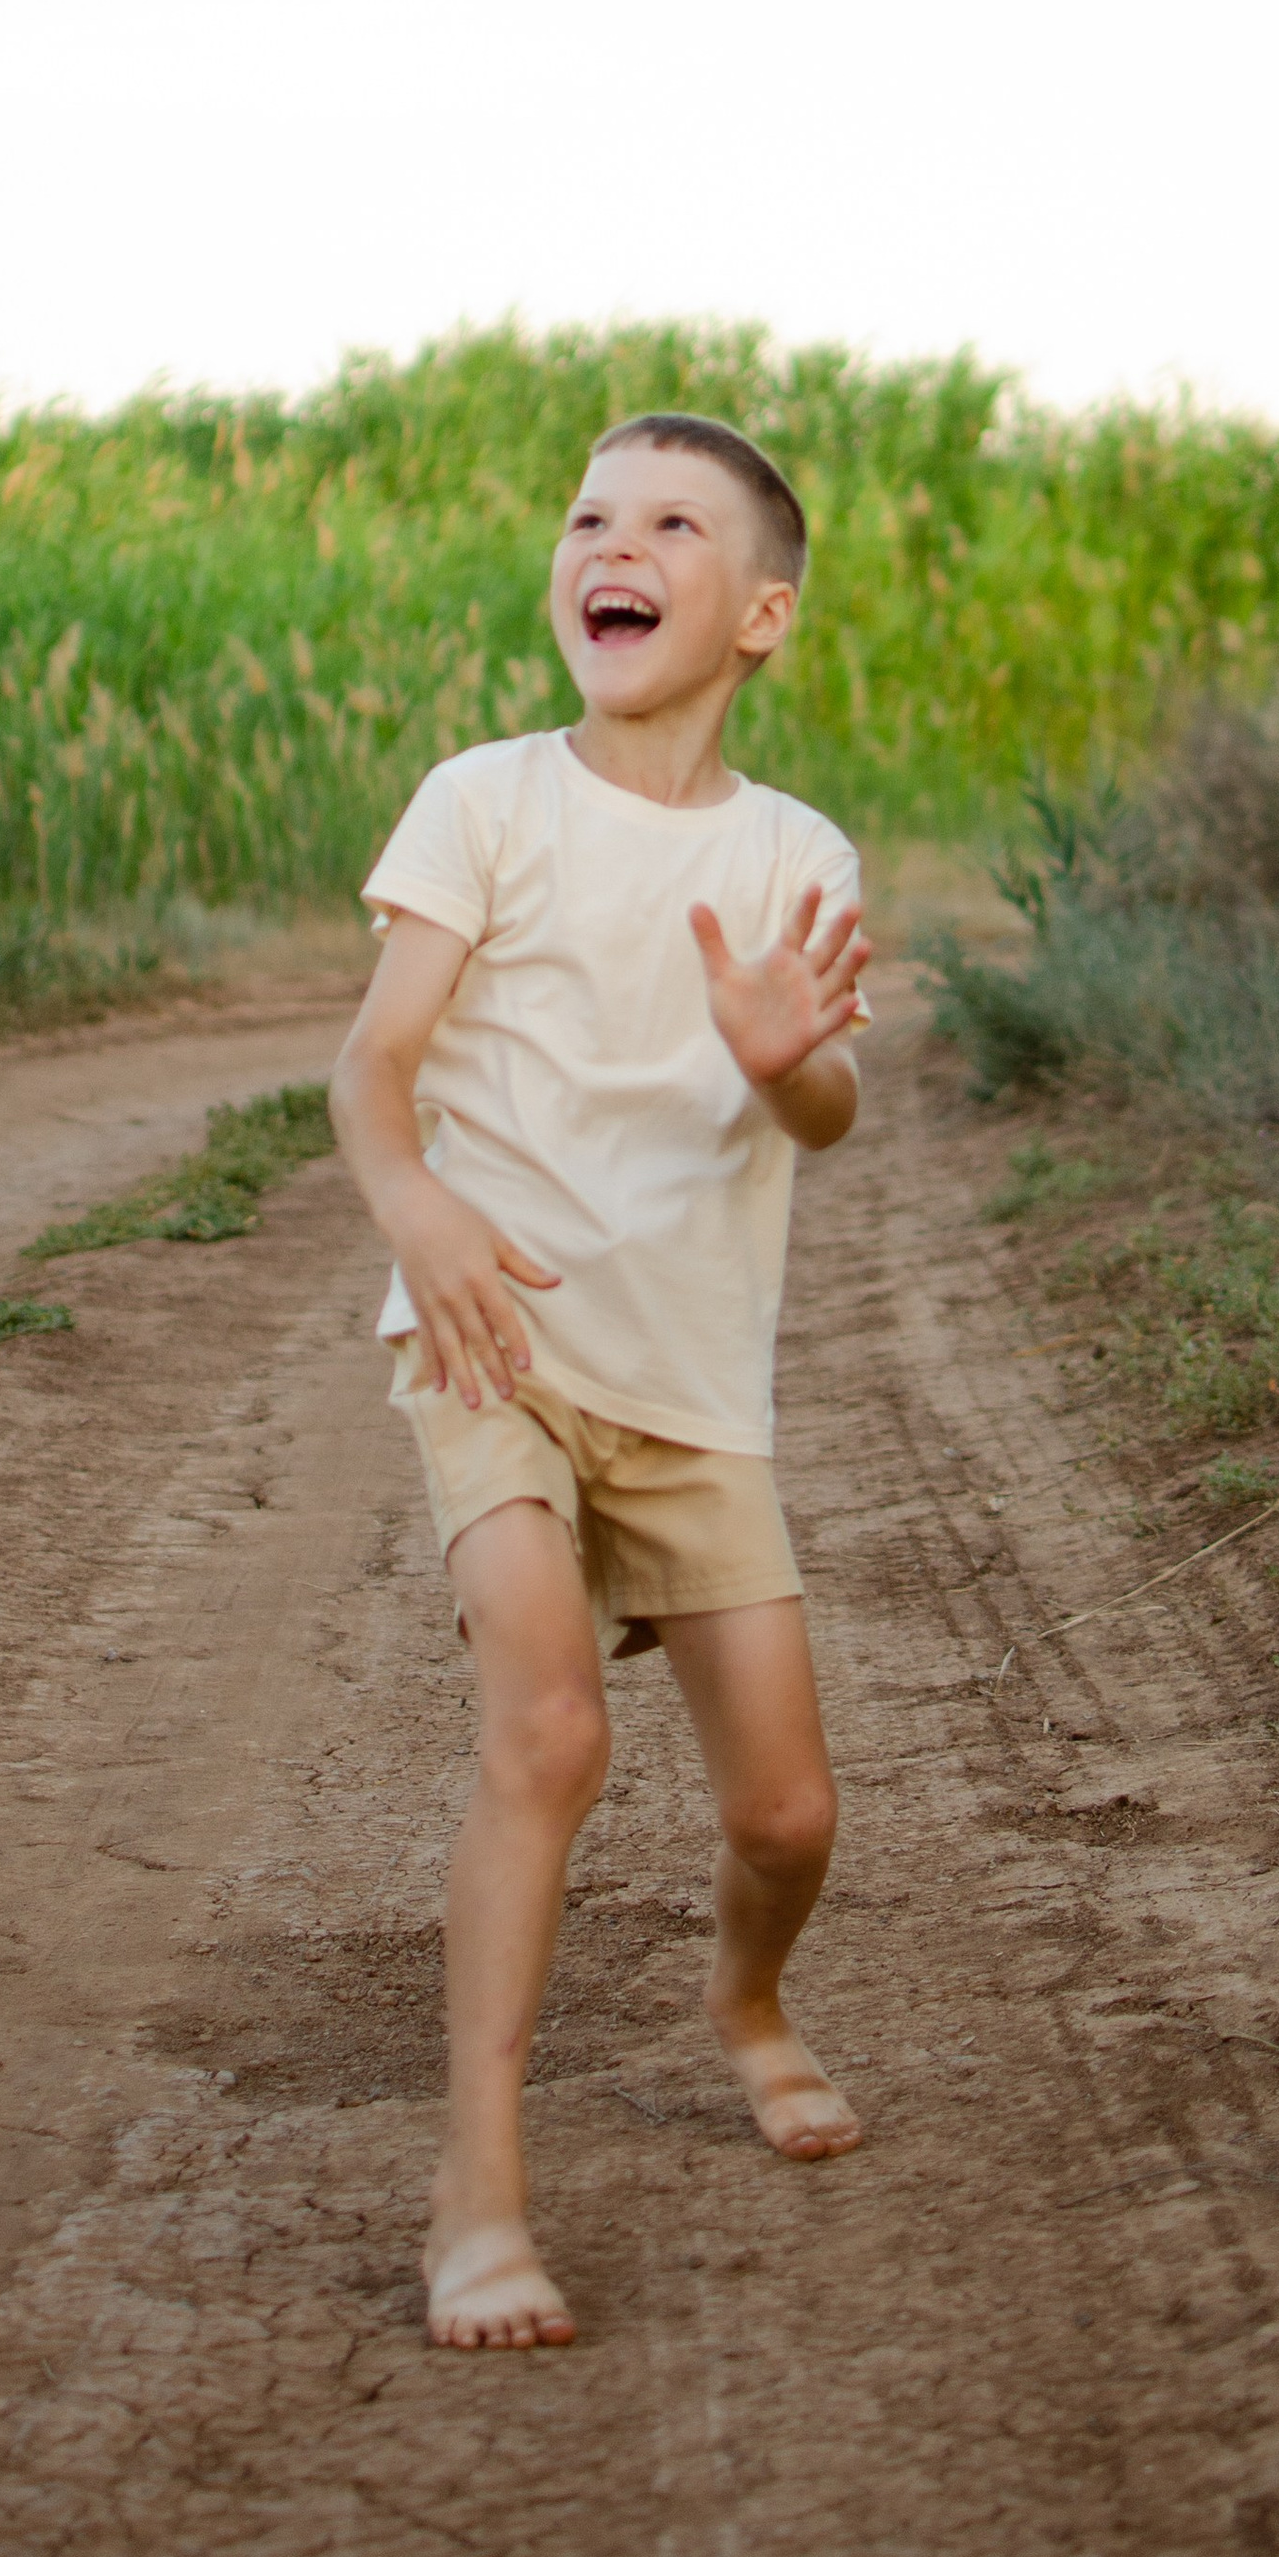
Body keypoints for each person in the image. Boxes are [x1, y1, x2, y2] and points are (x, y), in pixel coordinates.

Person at [328, 410, 874, 2353]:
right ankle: (476, 2188)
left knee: (790, 1814)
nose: (607, 543)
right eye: (583, 514)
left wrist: (770, 1049)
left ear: (760, 613)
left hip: (689, 1385)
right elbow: (373, 1065)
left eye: (666, 522)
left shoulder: (791, 852)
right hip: (492, 1339)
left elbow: (822, 1104)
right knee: (547, 1728)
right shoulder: (481, 798)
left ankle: (744, 1999)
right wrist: (419, 1218)